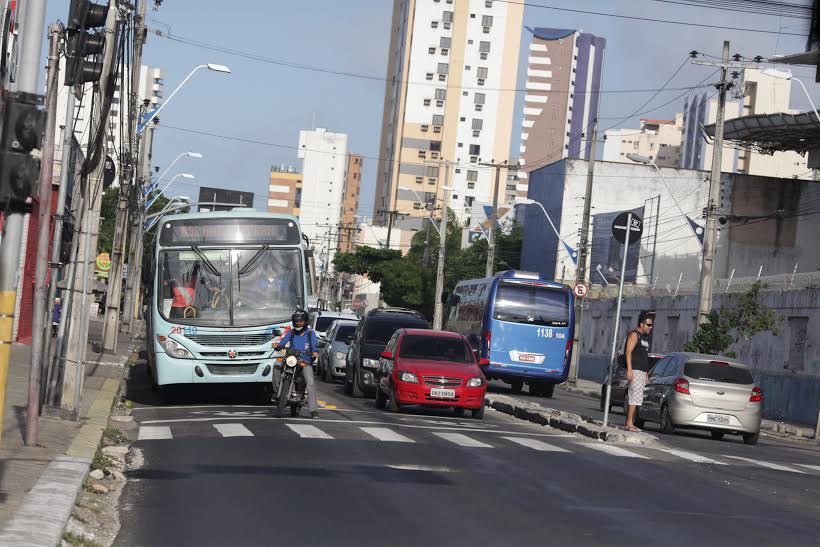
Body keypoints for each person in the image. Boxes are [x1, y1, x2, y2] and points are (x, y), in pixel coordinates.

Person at [272, 309, 320, 418]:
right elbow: (283, 342)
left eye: (300, 322)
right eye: (296, 321)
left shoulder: (310, 333)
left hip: (304, 361)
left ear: (305, 322)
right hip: (291, 359)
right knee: (276, 365)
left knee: (310, 382)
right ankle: (276, 392)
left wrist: (315, 352)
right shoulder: (291, 332)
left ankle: (313, 410)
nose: (298, 323)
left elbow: (315, 346)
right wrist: (277, 345)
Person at [624, 311, 654, 432]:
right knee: (634, 397)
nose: (650, 327)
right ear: (641, 324)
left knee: (637, 398)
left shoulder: (645, 338)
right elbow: (628, 352)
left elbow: (644, 356)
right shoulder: (634, 335)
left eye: (651, 325)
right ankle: (629, 423)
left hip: (641, 371)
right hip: (634, 370)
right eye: (648, 325)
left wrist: (646, 372)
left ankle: (629, 423)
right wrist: (629, 370)